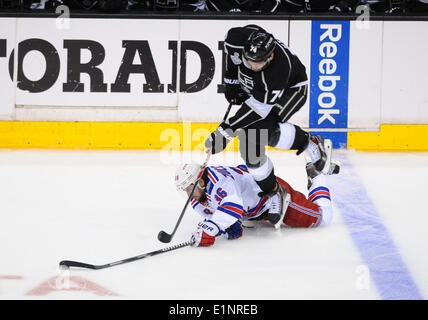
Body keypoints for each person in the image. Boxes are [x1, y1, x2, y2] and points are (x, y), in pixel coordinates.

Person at [205, 24, 333, 226]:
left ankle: (309, 143)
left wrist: (226, 130)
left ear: (271, 57)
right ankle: (273, 192)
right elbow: (232, 58)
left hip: (291, 90)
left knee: (263, 131)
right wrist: (231, 83)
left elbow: (258, 109)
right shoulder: (237, 39)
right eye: (250, 61)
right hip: (258, 92)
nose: (254, 66)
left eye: (260, 63)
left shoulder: (277, 72)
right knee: (249, 149)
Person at [174, 158, 339, 247]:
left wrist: (212, 228)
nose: (188, 195)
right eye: (185, 190)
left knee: (323, 218)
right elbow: (219, 213)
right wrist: (226, 225)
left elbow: (232, 207)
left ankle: (317, 175)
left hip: (271, 197)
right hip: (252, 207)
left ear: (201, 182)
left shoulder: (220, 183)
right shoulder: (196, 197)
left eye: (189, 188)